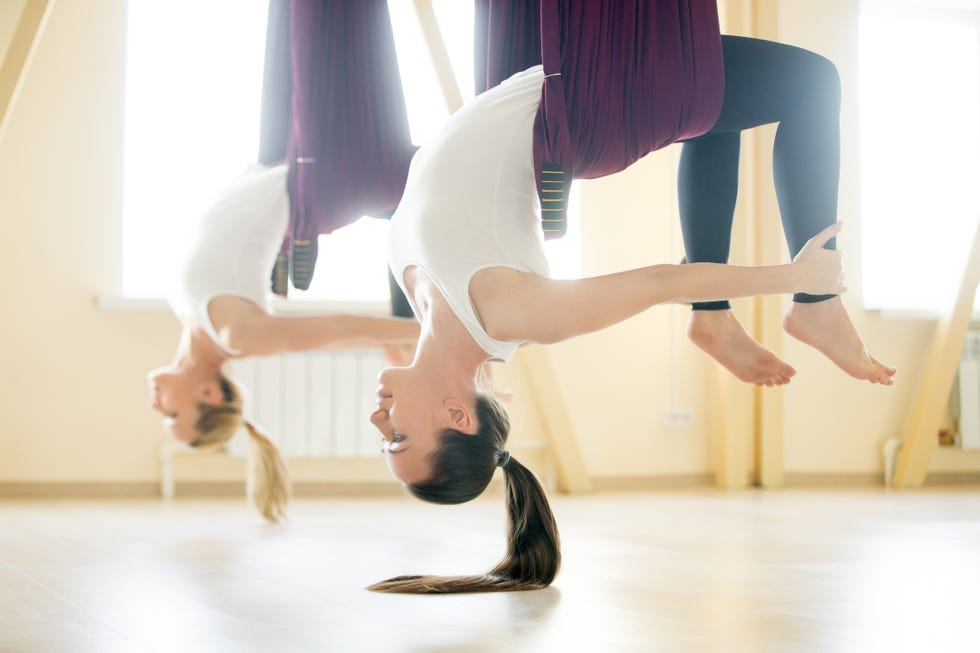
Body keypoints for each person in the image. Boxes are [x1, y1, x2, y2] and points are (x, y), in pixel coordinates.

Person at [367, 18, 896, 593]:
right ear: (457, 416)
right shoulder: (510, 317)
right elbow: (661, 281)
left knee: (712, 112)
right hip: (586, 106)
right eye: (397, 437)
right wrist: (798, 276)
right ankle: (813, 306)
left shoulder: (423, 305)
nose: (379, 420)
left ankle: (714, 318)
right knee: (811, 83)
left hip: (559, 85)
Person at [147, 163, 420, 522]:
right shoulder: (237, 337)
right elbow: (337, 330)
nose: (156, 406)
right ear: (208, 395)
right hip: (313, 176)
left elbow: (335, 338)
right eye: (171, 413)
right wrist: (424, 332)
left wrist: (387, 342)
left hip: (274, 166)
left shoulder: (191, 317)